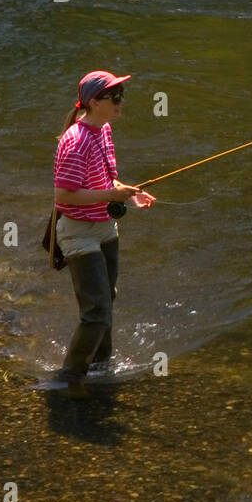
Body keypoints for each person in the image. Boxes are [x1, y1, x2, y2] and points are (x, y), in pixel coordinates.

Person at [53, 70, 155, 390]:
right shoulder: (75, 141)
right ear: (95, 102)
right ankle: (69, 379)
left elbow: (106, 179)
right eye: (116, 97)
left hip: (105, 227)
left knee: (107, 300)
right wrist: (112, 195)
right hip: (79, 232)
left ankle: (100, 370)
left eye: (121, 95)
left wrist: (129, 191)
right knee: (96, 310)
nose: (121, 102)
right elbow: (64, 195)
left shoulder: (104, 130)